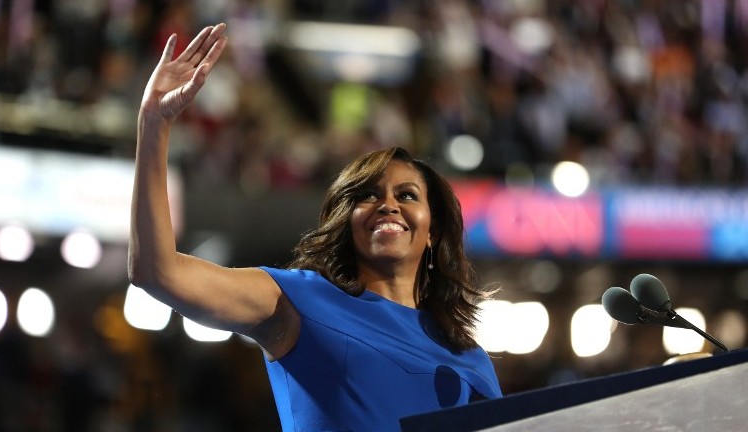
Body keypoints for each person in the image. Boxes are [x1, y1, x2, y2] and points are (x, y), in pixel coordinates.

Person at [128, 23, 503, 432]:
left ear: (432, 230)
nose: (388, 206)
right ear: (348, 223)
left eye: (408, 195)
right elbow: (157, 271)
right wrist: (154, 125)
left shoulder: (469, 359)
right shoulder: (297, 301)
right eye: (368, 195)